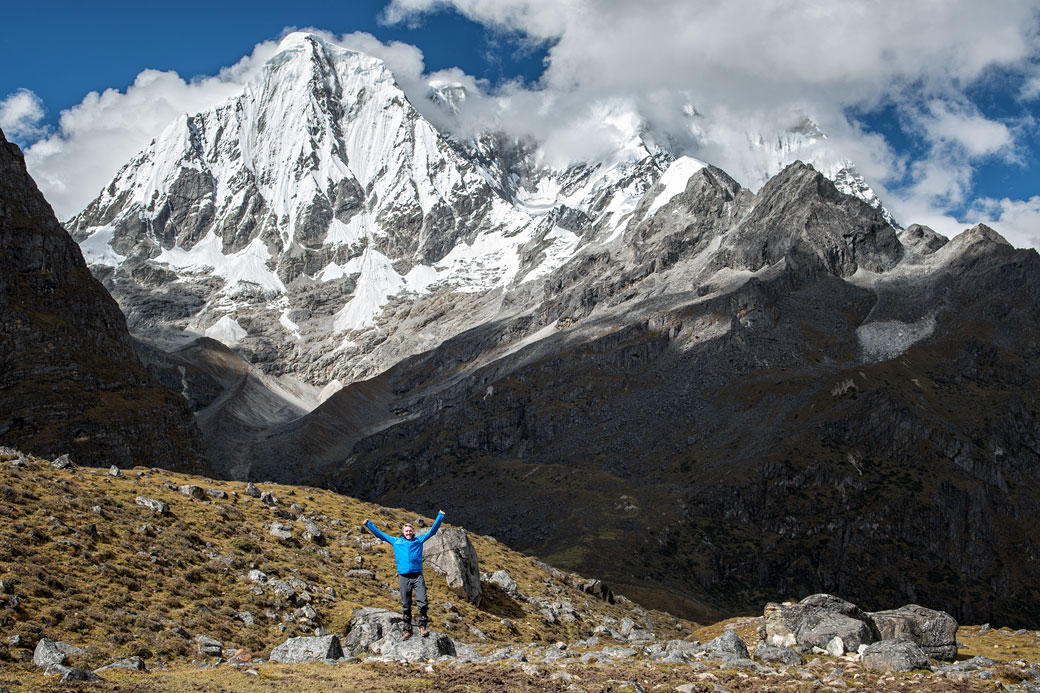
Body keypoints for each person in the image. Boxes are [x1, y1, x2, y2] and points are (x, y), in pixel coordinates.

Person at [364, 510, 445, 638]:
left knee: (423, 601)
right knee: (406, 604)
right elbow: (381, 535)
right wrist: (369, 525)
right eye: (406, 531)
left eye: (410, 531)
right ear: (403, 532)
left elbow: (432, 532)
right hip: (404, 577)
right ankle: (407, 629)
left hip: (417, 576)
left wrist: (440, 516)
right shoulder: (396, 541)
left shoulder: (418, 540)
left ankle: (422, 626)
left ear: (413, 532)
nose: (408, 533)